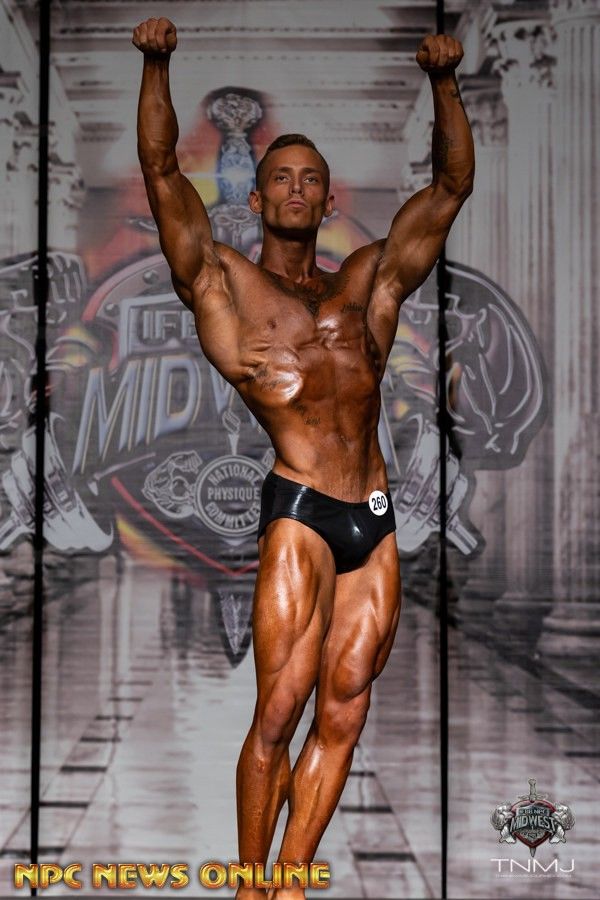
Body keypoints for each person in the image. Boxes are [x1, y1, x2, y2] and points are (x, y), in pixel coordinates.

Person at [133, 16, 474, 899]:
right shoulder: (224, 284)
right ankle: (250, 888)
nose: (295, 188)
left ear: (327, 201)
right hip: (300, 511)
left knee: (345, 710)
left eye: (310, 179)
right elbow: (163, 174)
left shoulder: (370, 282)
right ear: (257, 200)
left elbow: (450, 186)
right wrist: (157, 65)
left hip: (375, 516)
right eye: (280, 178)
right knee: (280, 712)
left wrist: (444, 84)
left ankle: (289, 883)